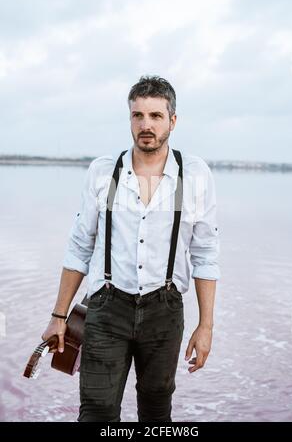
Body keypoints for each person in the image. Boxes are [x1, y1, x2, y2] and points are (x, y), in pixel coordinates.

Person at [42, 75, 221, 422]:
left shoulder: (196, 175)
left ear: (173, 120)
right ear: (130, 120)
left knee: (156, 413)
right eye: (137, 116)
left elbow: (206, 256)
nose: (146, 125)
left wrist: (206, 327)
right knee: (97, 411)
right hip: (107, 308)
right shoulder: (102, 172)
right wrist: (58, 316)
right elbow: (80, 247)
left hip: (165, 310)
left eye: (155, 116)